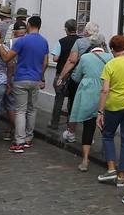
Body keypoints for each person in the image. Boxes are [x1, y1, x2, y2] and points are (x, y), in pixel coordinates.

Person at [96, 34, 124, 182]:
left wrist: (100, 112)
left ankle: (111, 169)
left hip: (114, 105)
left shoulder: (110, 65)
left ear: (113, 49)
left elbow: (105, 90)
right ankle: (122, 175)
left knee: (108, 135)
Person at [67, 33, 111, 172]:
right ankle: (108, 155)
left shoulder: (85, 58)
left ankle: (85, 159)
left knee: (88, 127)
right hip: (106, 95)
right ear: (103, 44)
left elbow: (76, 76)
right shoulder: (110, 58)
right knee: (106, 127)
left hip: (89, 95)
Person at [8, 15, 48, 153]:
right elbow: (46, 62)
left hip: (21, 78)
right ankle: (28, 138)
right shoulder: (44, 42)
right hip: (35, 79)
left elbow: (8, 57)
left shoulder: (22, 41)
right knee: (32, 109)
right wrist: (41, 76)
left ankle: (19, 141)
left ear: (29, 25)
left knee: (20, 110)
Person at [50, 19, 80, 133]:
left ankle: (54, 123)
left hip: (62, 73)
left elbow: (55, 58)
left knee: (59, 100)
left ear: (66, 29)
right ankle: (70, 125)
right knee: (72, 101)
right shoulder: (81, 41)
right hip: (76, 74)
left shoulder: (61, 41)